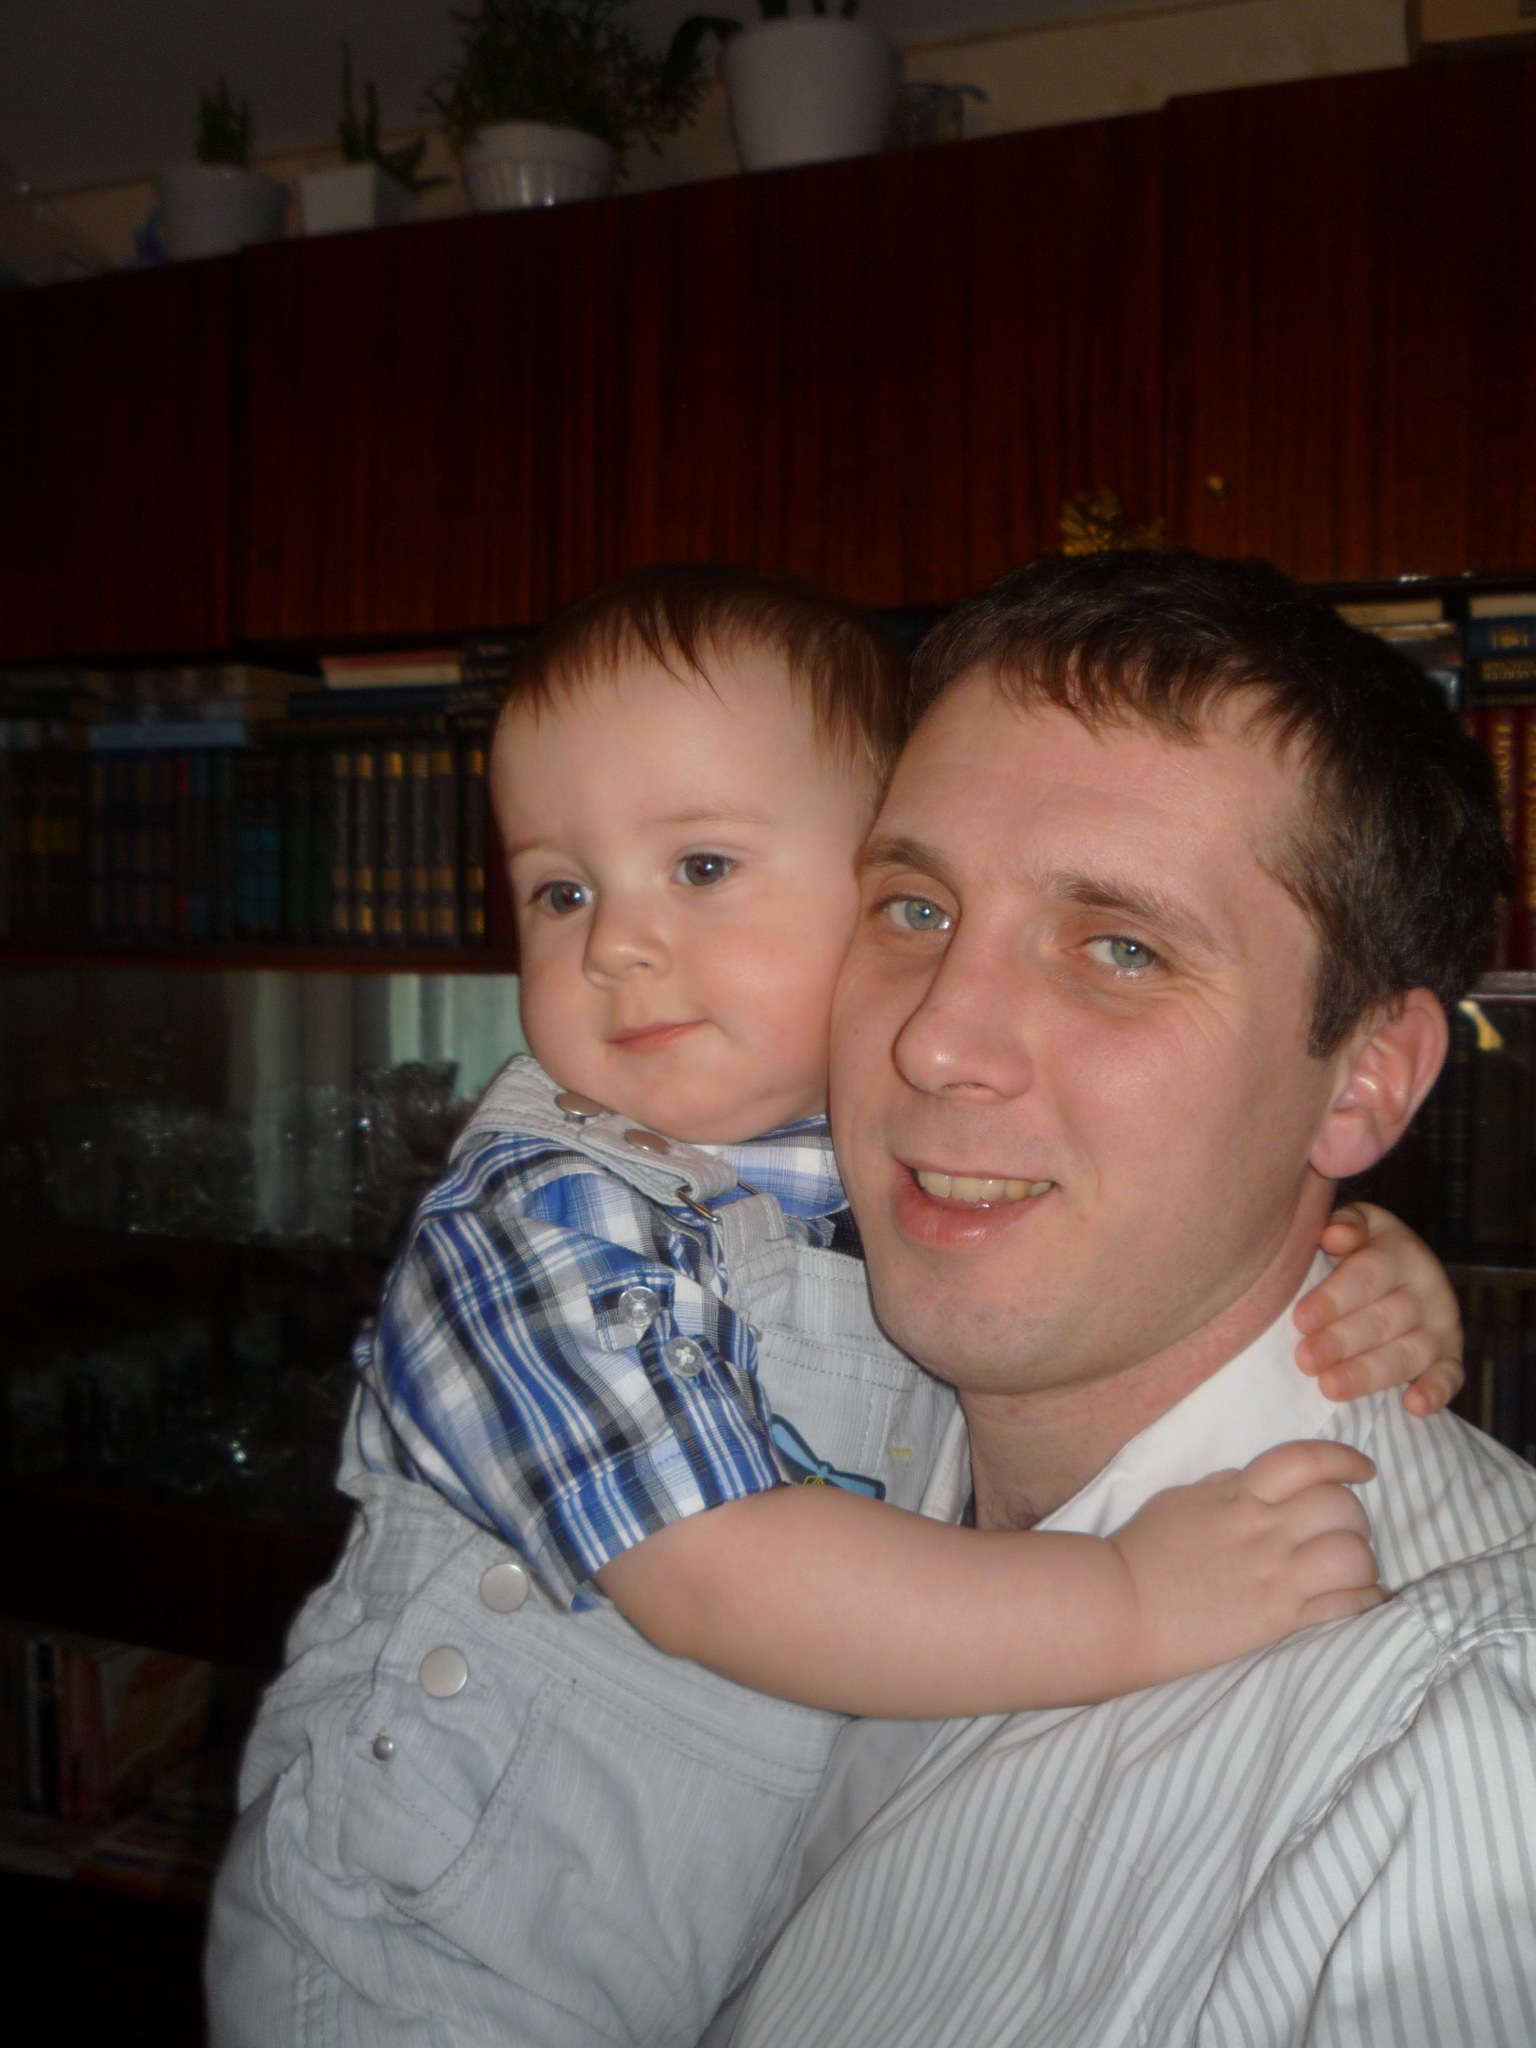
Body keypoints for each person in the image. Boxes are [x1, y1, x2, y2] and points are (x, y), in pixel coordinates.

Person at [207, 565, 1463, 2048]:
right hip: (416, 1950)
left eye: (704, 868)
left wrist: (1360, 1250)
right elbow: (715, 1573)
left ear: (1366, 1083)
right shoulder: (542, 1222)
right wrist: (1126, 1602)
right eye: (560, 891)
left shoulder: (1451, 1763)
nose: (613, 946)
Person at [716, 550, 1536, 2048]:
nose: (935, 1044)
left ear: (1365, 1079)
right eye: (914, 908)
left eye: (1121, 949)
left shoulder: (1455, 1767)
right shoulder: (761, 1401)